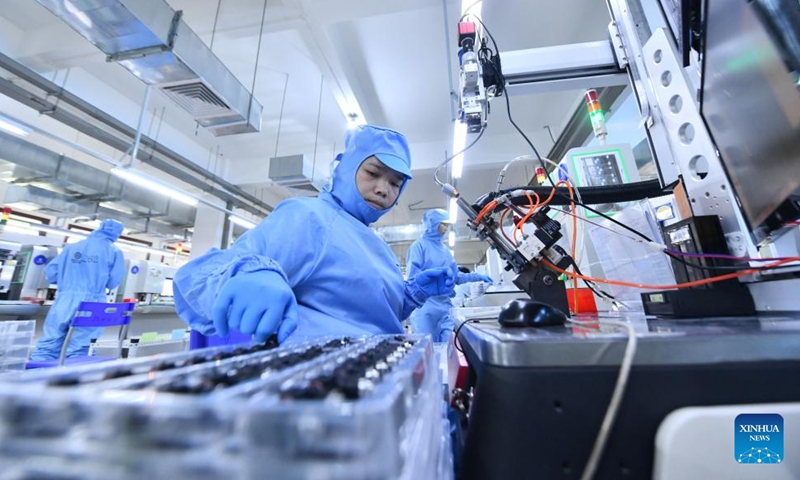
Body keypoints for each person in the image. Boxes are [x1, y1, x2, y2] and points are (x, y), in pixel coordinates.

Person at [174, 125, 455, 344]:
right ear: (345, 167)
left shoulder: (375, 242)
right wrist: (251, 273)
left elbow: (370, 313)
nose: (384, 189)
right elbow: (196, 278)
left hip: (376, 378)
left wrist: (413, 294)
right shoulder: (308, 217)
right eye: (372, 173)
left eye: (395, 183)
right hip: (320, 389)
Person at [29, 219, 126, 360]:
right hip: (92, 303)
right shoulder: (114, 251)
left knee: (49, 344)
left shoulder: (70, 248)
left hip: (64, 300)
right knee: (81, 348)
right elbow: (113, 282)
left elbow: (51, 273)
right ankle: (71, 379)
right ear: (117, 233)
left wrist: (68, 280)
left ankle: (36, 377)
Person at [406, 209, 492, 342]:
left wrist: (477, 277)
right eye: (443, 224)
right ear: (432, 224)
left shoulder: (445, 250)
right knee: (429, 351)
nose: (446, 228)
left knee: (449, 349)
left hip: (445, 307)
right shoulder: (418, 247)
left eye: (447, 225)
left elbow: (456, 277)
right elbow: (414, 279)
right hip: (425, 308)